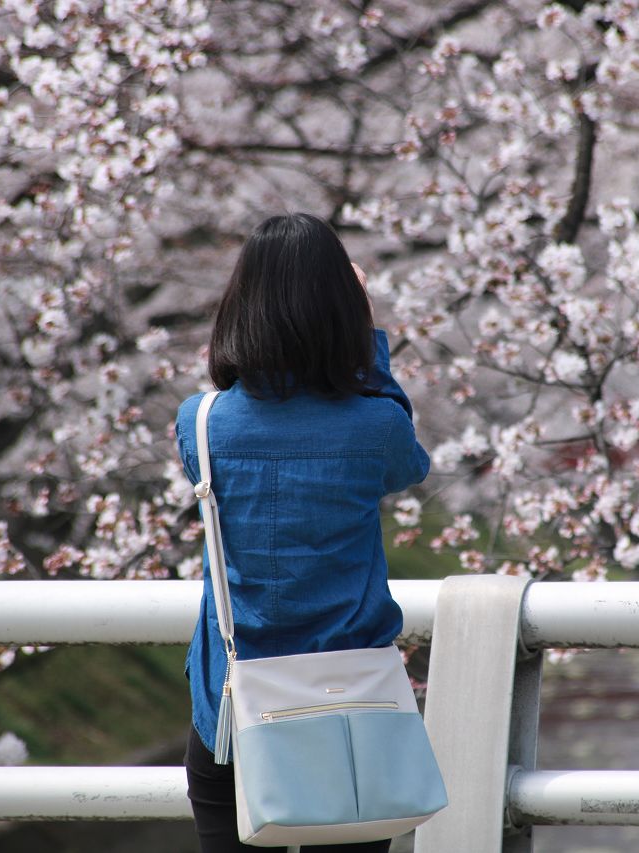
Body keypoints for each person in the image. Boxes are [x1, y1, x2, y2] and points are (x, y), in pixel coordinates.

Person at [174, 212, 431, 853]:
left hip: (232, 711)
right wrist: (369, 343)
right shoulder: (374, 425)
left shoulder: (201, 423)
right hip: (352, 709)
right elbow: (409, 465)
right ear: (342, 310)